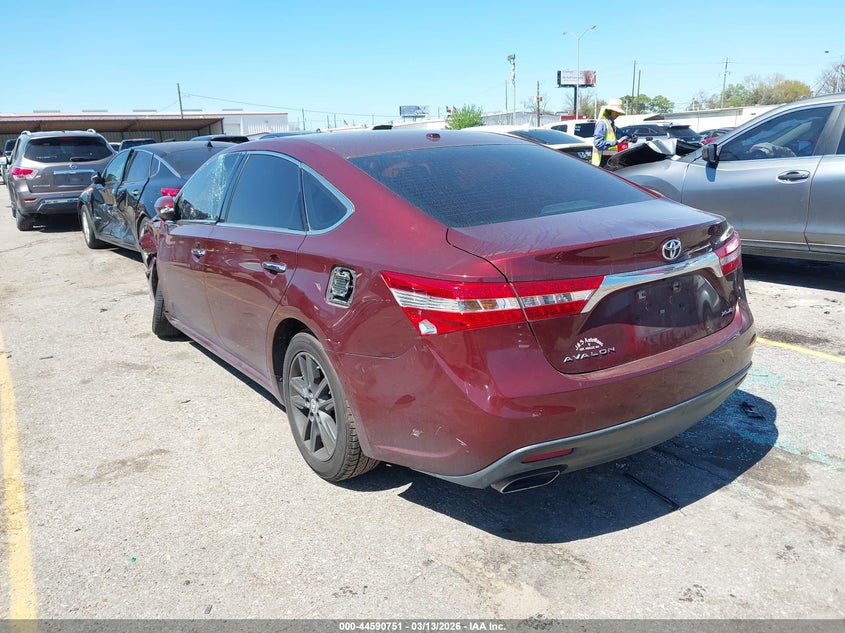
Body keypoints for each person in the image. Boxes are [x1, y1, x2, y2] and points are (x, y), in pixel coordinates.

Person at [592, 98, 629, 168]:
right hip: (601, 163)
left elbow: (622, 133)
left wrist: (630, 136)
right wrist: (616, 142)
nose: (618, 114)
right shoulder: (602, 123)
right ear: (611, 111)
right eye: (617, 112)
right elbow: (597, 143)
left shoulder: (611, 124)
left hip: (609, 162)